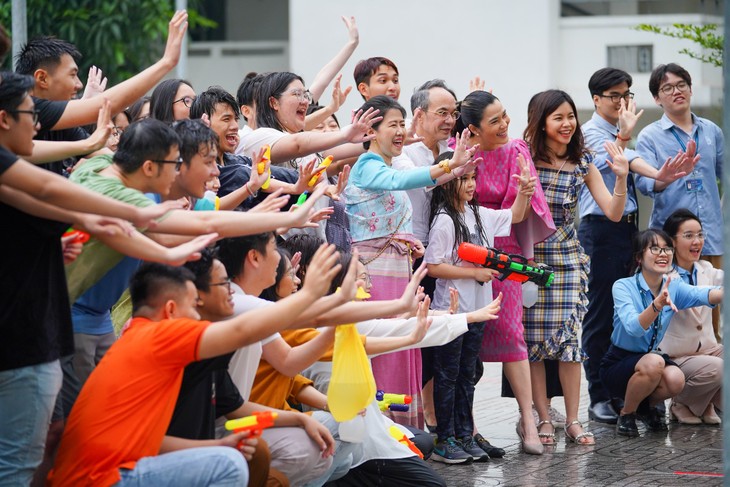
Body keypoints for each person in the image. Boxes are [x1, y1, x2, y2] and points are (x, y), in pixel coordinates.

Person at [48, 242, 344, 486]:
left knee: (238, 455)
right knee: (228, 465)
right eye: (193, 304)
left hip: (99, 473)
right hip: (97, 480)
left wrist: (219, 445)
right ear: (172, 309)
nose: (199, 310)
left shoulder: (150, 340)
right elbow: (247, 330)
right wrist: (311, 294)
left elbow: (151, 443)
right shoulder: (158, 336)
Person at [344, 95, 477, 428]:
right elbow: (400, 182)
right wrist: (448, 166)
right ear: (371, 131)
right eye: (393, 124)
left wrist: (408, 240)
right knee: (386, 342)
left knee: (400, 340)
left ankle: (402, 430)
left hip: (395, 270)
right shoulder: (368, 165)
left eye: (402, 124)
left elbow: (397, 204)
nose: (401, 131)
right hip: (373, 275)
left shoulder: (385, 165)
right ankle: (380, 428)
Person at [577, 67, 695, 424]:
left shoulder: (622, 131)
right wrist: (646, 161)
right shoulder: (589, 135)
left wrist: (659, 175)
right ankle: (599, 395)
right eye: (614, 95)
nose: (622, 101)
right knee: (600, 314)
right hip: (600, 230)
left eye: (626, 94)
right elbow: (618, 161)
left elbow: (634, 165)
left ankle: (633, 394)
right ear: (596, 100)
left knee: (636, 309)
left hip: (629, 229)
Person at [522, 89, 633, 446]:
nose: (568, 123)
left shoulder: (583, 160)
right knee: (534, 344)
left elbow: (614, 212)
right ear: (541, 123)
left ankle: (572, 419)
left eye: (571, 116)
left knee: (569, 343)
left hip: (569, 261)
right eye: (558, 118)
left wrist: (620, 177)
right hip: (530, 261)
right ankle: (542, 418)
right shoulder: (525, 159)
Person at [455, 90, 554, 452]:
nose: (504, 124)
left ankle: (528, 421)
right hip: (463, 251)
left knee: (512, 335)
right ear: (473, 129)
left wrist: (525, 193)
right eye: (494, 120)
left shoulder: (516, 151)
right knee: (463, 339)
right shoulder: (459, 152)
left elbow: (519, 213)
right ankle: (468, 425)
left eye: (504, 116)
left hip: (505, 250)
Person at [425, 151, 532, 462]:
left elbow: (516, 216)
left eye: (473, 178)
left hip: (479, 310)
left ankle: (463, 434)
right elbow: (433, 266)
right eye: (463, 179)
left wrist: (524, 194)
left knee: (467, 373)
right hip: (453, 310)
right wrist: (473, 273)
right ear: (447, 183)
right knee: (448, 373)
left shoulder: (479, 214)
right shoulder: (445, 220)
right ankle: (445, 439)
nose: (470, 184)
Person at [600, 229, 722, 437]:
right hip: (618, 362)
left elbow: (704, 294)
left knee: (675, 379)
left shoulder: (673, 287)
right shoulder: (622, 286)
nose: (663, 254)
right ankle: (627, 414)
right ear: (639, 257)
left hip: (649, 361)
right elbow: (634, 328)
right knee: (655, 362)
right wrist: (656, 305)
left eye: (667, 249)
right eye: (655, 248)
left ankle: (644, 409)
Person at [635, 63, 724, 342]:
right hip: (670, 240)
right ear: (657, 98)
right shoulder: (650, 135)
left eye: (681, 85)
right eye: (667, 88)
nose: (677, 92)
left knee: (713, 312)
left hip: (709, 233)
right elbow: (645, 185)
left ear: (690, 88)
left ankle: (714, 371)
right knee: (674, 311)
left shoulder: (711, 131)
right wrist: (668, 176)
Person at [660, 209, 723, 425]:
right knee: (719, 368)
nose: (697, 241)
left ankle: (703, 403)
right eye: (688, 236)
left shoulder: (706, 268)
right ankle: (680, 402)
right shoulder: (663, 276)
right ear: (672, 242)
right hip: (678, 357)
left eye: (700, 235)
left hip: (709, 349)